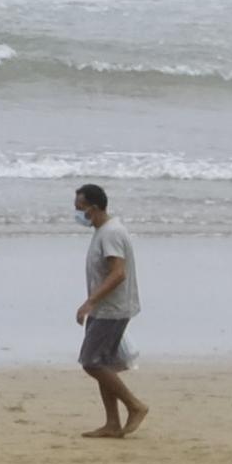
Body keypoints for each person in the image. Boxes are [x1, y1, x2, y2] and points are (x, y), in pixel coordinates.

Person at [73, 183, 148, 438]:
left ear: (93, 208)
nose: (77, 214)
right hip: (104, 308)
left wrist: (90, 301)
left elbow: (118, 273)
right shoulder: (103, 231)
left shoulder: (111, 233)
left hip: (111, 310)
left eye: (80, 209)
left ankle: (134, 405)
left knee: (91, 362)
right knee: (103, 364)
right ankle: (112, 423)